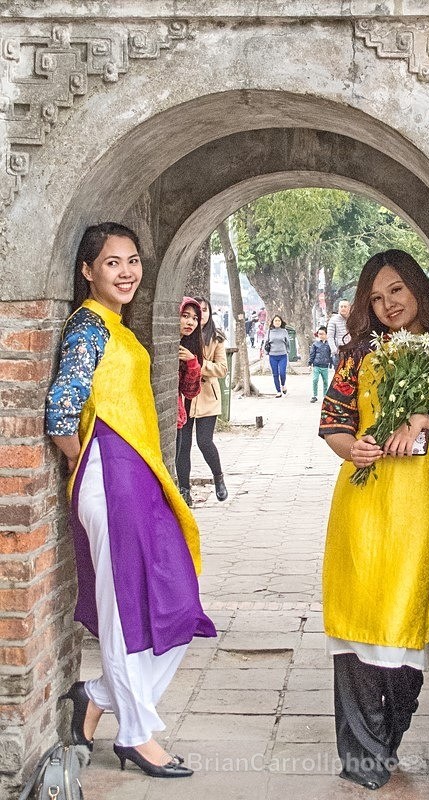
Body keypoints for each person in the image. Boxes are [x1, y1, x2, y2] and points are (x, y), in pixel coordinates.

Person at [46, 222, 216, 779]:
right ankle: (137, 735)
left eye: (132, 261)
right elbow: (61, 412)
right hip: (109, 475)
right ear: (87, 271)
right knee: (124, 611)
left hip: (139, 478)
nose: (126, 272)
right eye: (112, 262)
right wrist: (81, 461)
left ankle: (95, 694)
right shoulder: (88, 328)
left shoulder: (116, 327)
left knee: (176, 601)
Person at [319, 249, 429, 790]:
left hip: (420, 511)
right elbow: (334, 425)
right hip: (362, 505)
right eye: (375, 297)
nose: (387, 304)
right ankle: (363, 758)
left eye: (396, 291)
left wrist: (427, 421)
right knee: (357, 623)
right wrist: (353, 451)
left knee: (404, 627)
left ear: (417, 288)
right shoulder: (356, 355)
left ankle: (387, 736)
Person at [176, 296, 228, 502]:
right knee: (183, 446)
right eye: (186, 316)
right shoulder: (183, 337)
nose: (198, 317)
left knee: (204, 441)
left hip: (207, 397)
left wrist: (197, 363)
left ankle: (218, 477)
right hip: (186, 400)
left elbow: (222, 368)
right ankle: (184, 489)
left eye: (201, 313)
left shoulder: (216, 338)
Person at [176, 297, 204, 507]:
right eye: (185, 316)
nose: (190, 322)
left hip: (177, 416)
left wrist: (192, 363)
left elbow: (190, 391)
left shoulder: (188, 349)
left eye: (195, 318)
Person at [265, 314, 289, 398]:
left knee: (282, 373)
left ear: (281, 322)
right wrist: (266, 353)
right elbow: (266, 342)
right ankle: (278, 391)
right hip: (272, 356)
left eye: (279, 320)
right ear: (273, 322)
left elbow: (288, 342)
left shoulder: (284, 331)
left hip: (283, 355)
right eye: (275, 320)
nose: (277, 322)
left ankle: (283, 385)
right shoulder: (269, 332)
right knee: (275, 374)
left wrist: (287, 351)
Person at [308, 326, 332, 403]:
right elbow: (312, 354)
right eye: (319, 334)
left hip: (325, 366)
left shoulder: (329, 344)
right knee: (315, 380)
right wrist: (310, 363)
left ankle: (325, 395)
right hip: (316, 365)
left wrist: (331, 363)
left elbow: (331, 354)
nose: (321, 335)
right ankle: (314, 395)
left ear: (326, 334)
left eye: (322, 334)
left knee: (325, 381)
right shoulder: (315, 344)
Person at [327, 298, 351, 367]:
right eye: (341, 306)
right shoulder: (333, 320)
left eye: (345, 306)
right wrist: (335, 350)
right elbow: (330, 337)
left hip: (351, 351)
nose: (343, 308)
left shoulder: (353, 319)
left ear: (349, 308)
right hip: (339, 353)